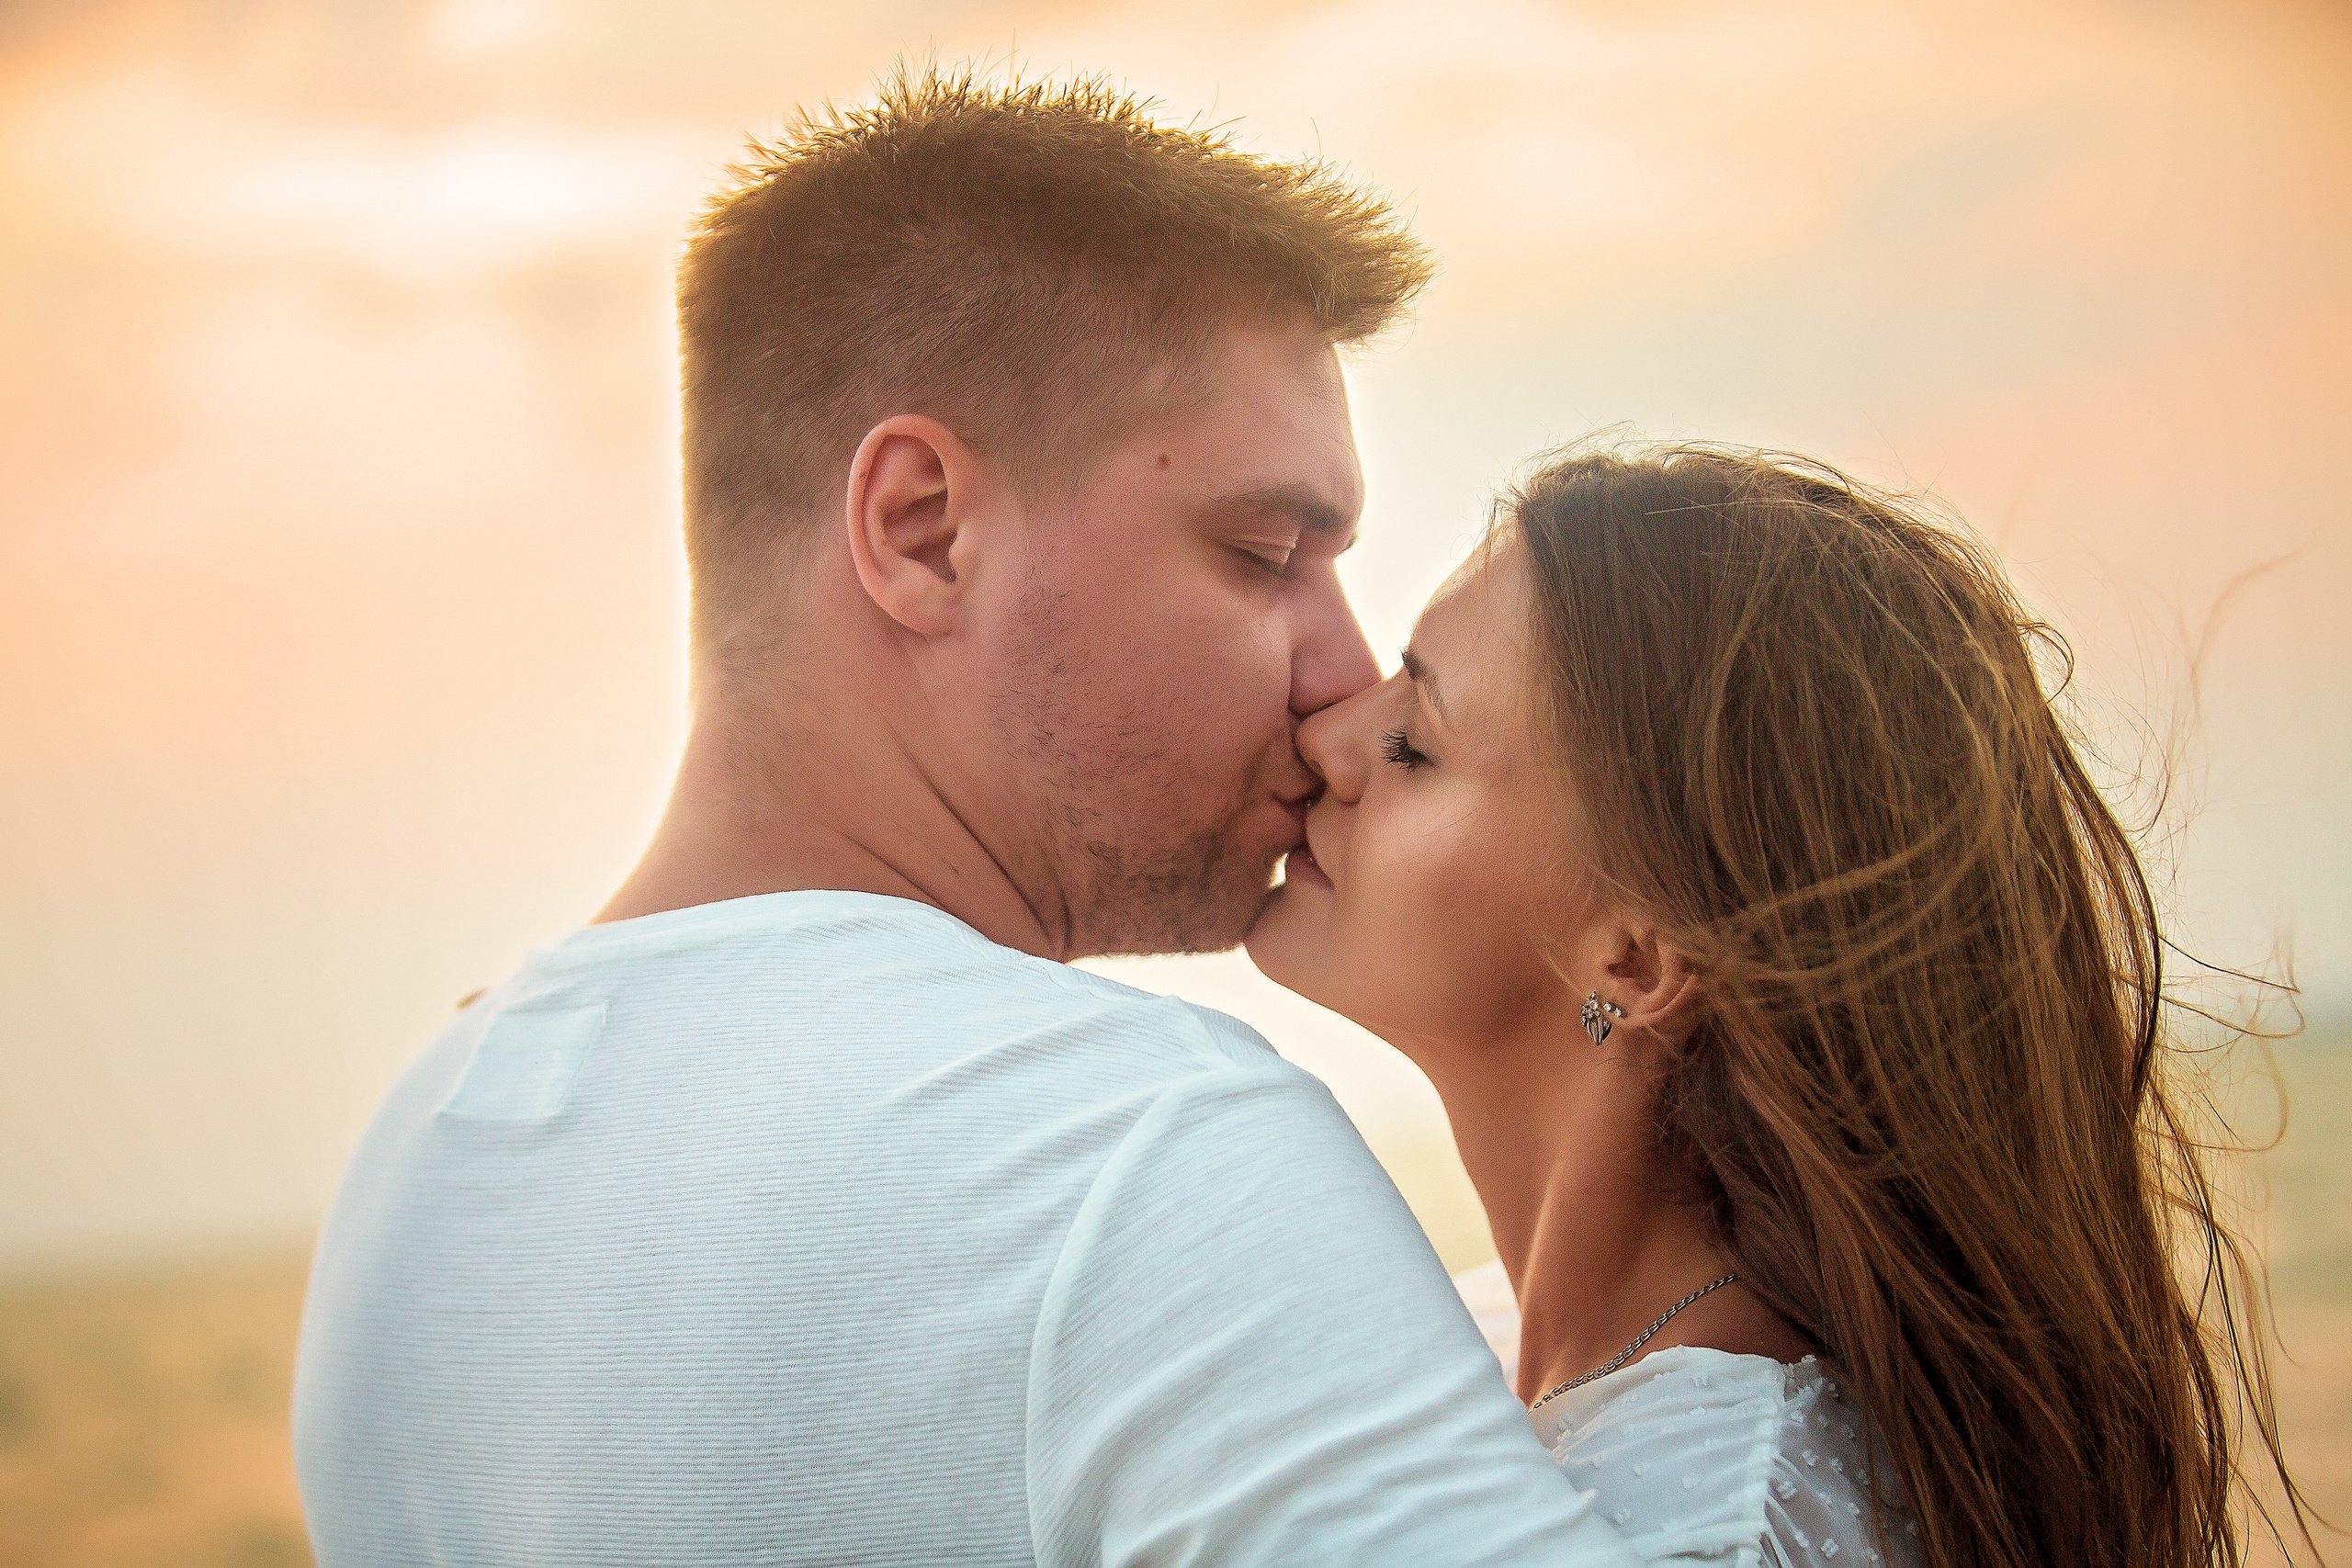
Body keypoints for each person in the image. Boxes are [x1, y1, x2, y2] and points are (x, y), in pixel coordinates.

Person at [291, 70, 1649, 1568]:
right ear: (922, 531)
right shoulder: (1135, 1151)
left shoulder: (416, 1164)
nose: (1341, 670)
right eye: (1265, 553)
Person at [1248, 443, 2307, 1568]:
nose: (1328, 737)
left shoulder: (1706, 1528)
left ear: (1638, 961)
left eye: (1413, 745)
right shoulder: (1493, 1357)